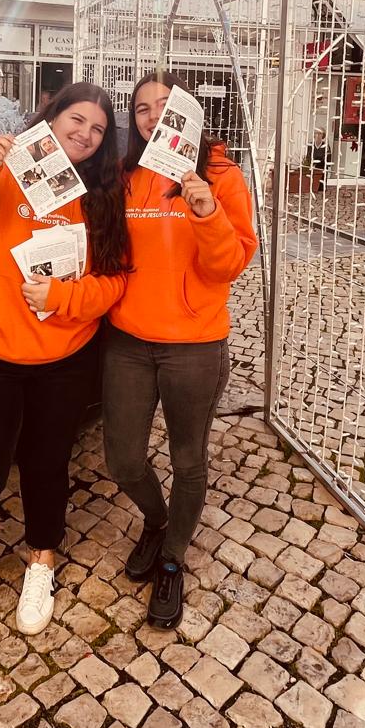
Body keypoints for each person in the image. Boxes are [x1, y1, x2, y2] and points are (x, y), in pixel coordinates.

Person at [0, 82, 131, 638]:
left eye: (98, 129)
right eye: (77, 119)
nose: (85, 134)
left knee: (48, 463)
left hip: (62, 354)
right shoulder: (5, 170)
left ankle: (41, 558)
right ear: (52, 116)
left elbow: (114, 282)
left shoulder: (103, 195)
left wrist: (63, 297)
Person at [105, 70, 258, 628]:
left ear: (186, 112)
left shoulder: (220, 175)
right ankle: (157, 519)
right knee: (122, 460)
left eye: (163, 105)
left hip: (193, 344)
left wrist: (206, 212)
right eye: (141, 108)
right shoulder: (127, 176)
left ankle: (172, 558)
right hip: (128, 341)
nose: (152, 116)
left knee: (188, 458)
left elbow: (229, 265)